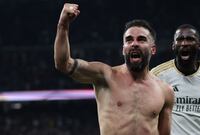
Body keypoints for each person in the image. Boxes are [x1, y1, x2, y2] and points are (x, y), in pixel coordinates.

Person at [54, 3, 174, 135]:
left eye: (141, 39)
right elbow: (64, 64)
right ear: (123, 49)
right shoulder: (105, 76)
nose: (134, 44)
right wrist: (63, 25)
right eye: (129, 40)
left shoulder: (165, 91)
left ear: (153, 49)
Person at [151, 24, 200, 135]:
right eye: (180, 39)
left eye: (190, 39)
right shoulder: (157, 75)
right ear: (173, 45)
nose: (184, 43)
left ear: (199, 45)